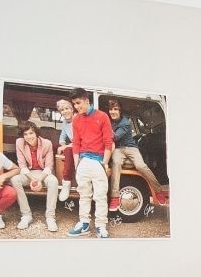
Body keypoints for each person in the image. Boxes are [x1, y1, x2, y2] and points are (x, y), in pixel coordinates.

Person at [65, 89, 113, 239]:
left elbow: (108, 142)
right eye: (74, 104)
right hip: (83, 161)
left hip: (98, 160)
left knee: (100, 196)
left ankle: (101, 226)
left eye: (78, 103)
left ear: (87, 100)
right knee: (84, 195)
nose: (76, 107)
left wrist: (104, 163)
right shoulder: (76, 120)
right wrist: (77, 164)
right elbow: (76, 144)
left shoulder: (102, 116)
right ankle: (84, 223)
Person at [106, 99, 162, 211]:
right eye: (111, 109)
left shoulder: (125, 122)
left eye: (115, 109)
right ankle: (115, 197)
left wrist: (104, 128)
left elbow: (115, 137)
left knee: (141, 165)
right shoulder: (109, 122)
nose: (113, 112)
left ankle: (159, 191)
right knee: (116, 164)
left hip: (131, 148)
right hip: (118, 149)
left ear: (120, 111)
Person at [13, 122, 60, 232]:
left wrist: (39, 179)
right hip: (28, 173)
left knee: (53, 181)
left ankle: (50, 217)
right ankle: (26, 215)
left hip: (43, 173)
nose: (29, 137)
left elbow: (49, 166)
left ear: (36, 133)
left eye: (31, 133)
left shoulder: (47, 143)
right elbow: (22, 165)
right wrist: (32, 179)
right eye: (25, 134)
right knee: (14, 180)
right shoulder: (19, 143)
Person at [53, 98, 75, 202]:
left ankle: (67, 181)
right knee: (66, 150)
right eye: (62, 110)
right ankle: (66, 184)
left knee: (68, 150)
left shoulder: (78, 119)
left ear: (72, 109)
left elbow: (81, 139)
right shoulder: (65, 123)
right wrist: (63, 145)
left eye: (67, 108)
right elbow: (62, 138)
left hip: (83, 146)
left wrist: (66, 146)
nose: (65, 111)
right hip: (73, 147)